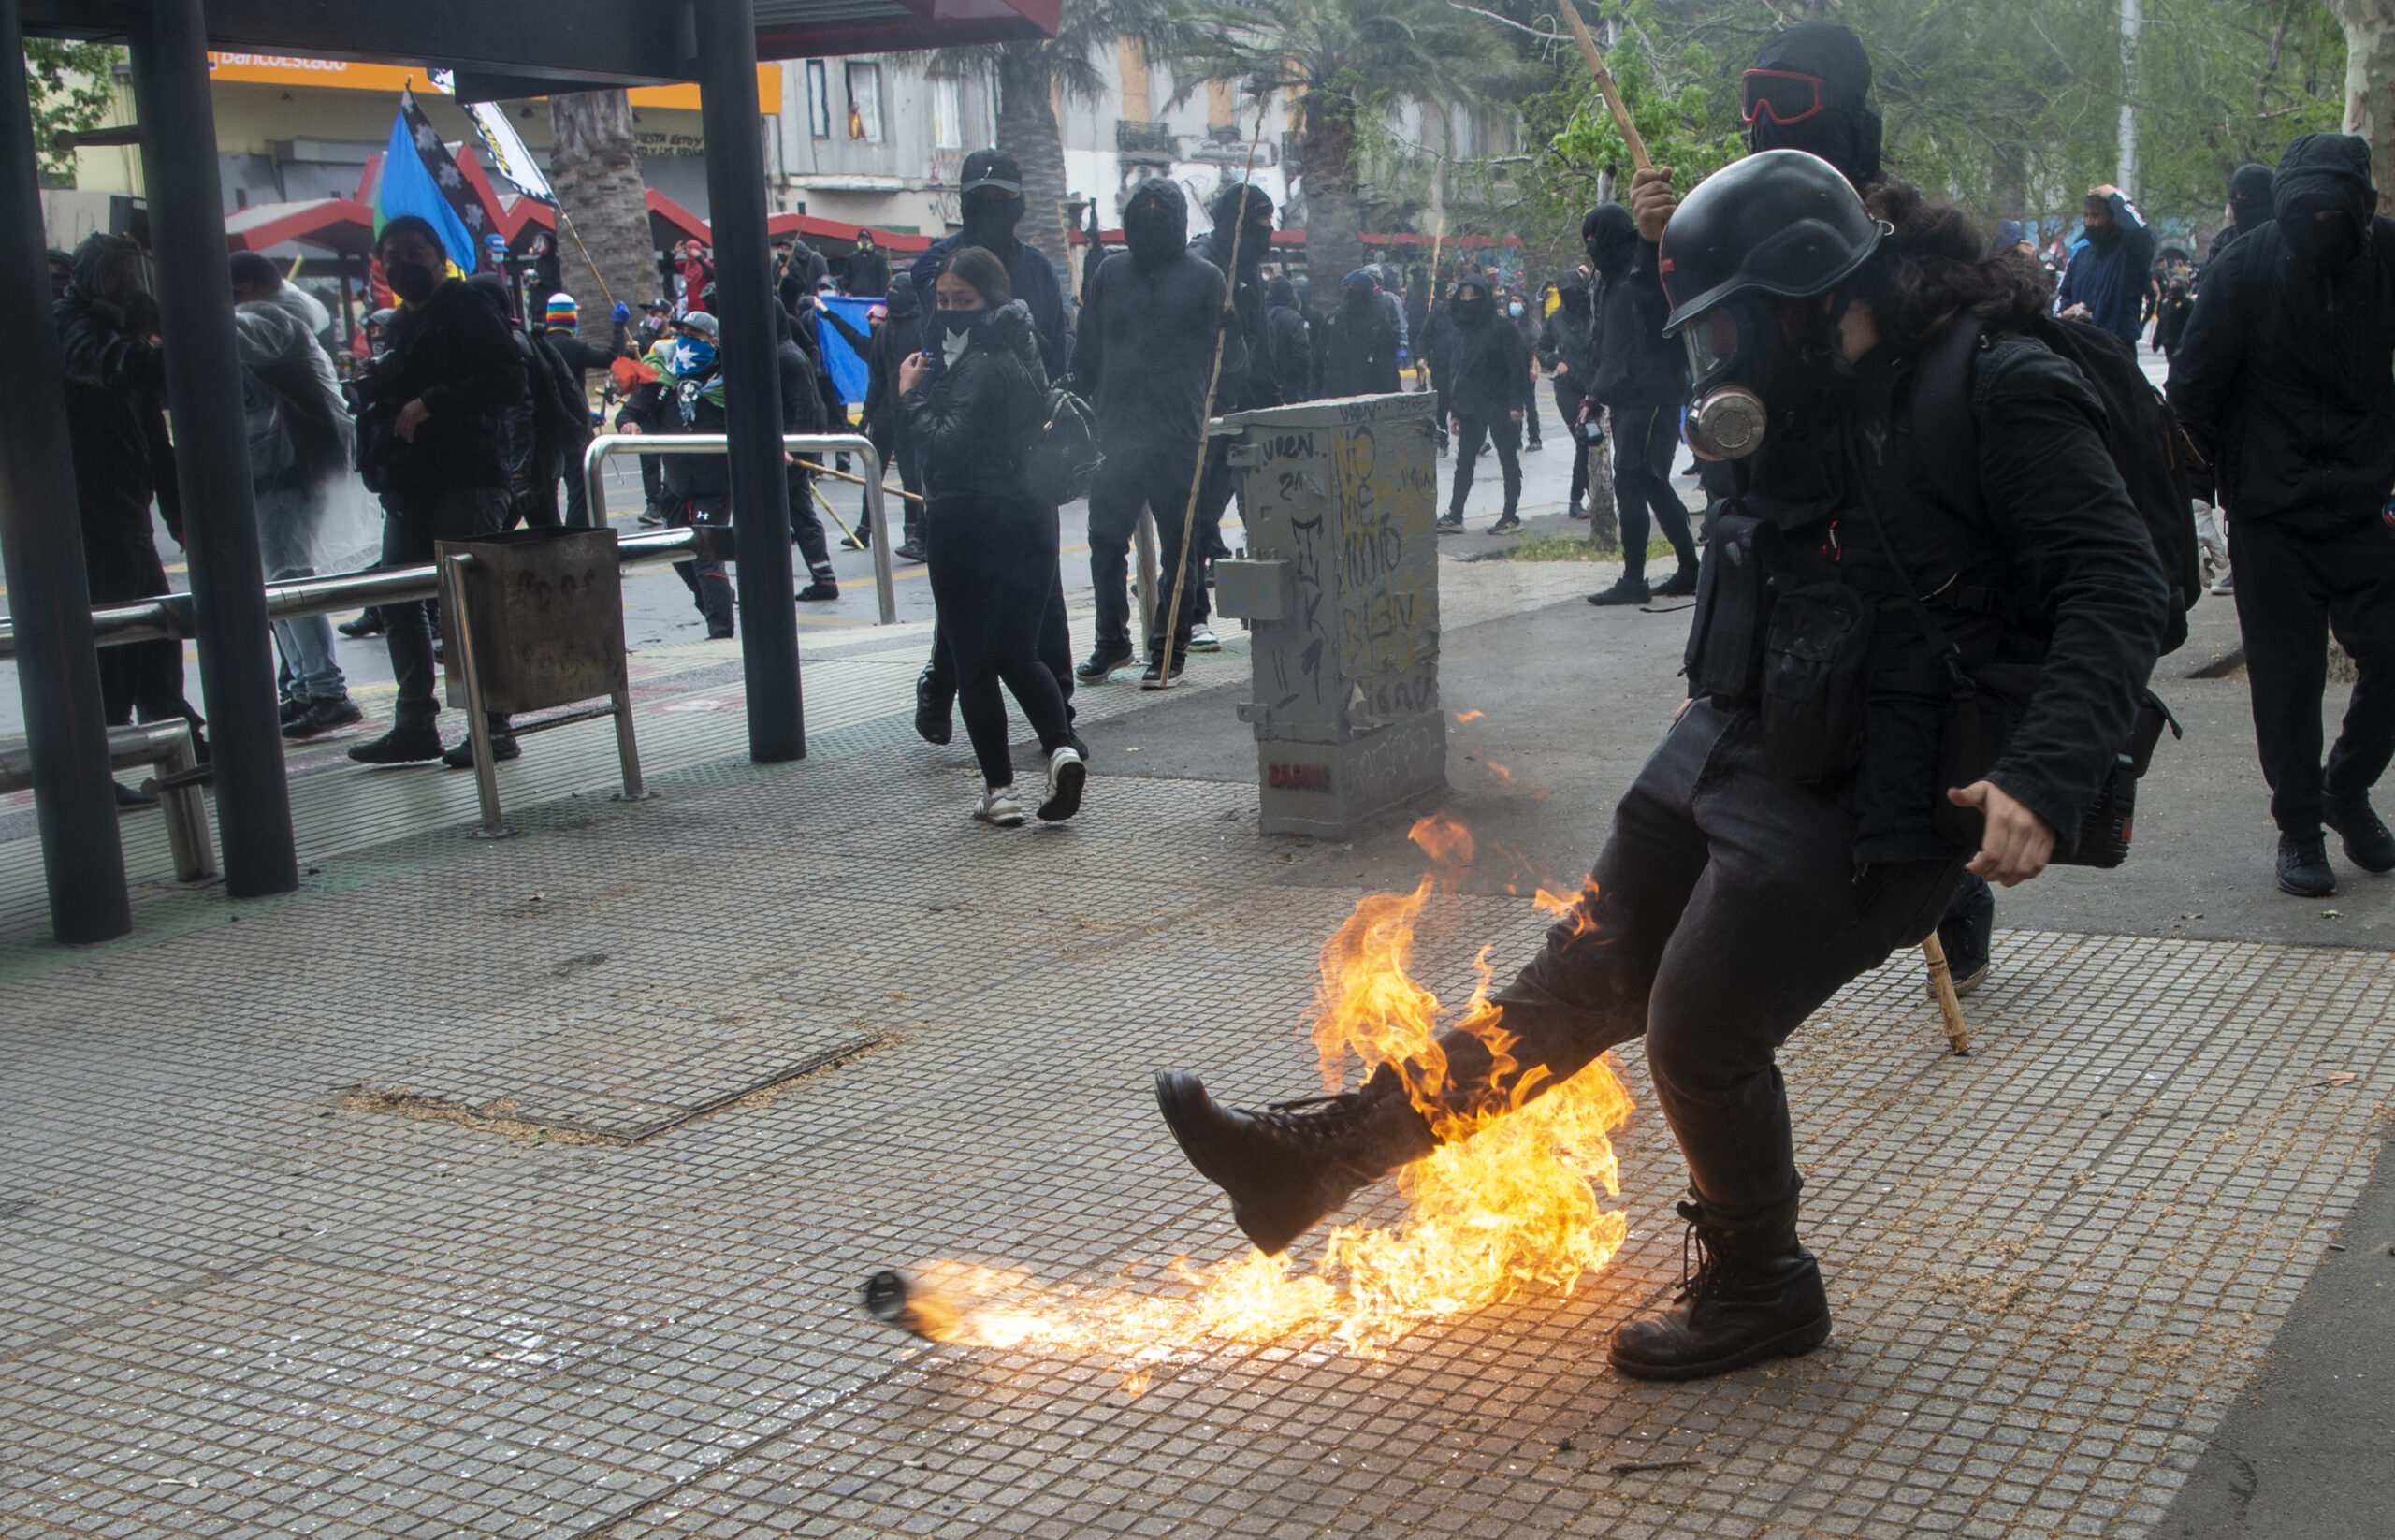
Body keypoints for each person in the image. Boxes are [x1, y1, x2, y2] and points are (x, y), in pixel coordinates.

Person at [1156, 154, 2168, 1383]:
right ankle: (1309, 1163)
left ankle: (1765, 1288)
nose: (1717, 356)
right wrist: (1651, 264)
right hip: (1747, 729)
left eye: (1732, 323)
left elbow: (2121, 583)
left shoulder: (1993, 383)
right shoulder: (1799, 379)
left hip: (1889, 795)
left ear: (1805, 295)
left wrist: (2045, 774)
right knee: (1570, 981)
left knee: (1700, 1022)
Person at [2167, 134, 2395, 898]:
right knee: (2287, 684)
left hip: (2367, 506)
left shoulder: (2389, 259)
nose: (2325, 222)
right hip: (2270, 512)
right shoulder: (2244, 268)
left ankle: (2345, 787)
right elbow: (2192, 397)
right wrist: (2190, 504)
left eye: (2341, 211)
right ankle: (2299, 828)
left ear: (2365, 206)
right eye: (2311, 211)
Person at [899, 246, 1087, 828]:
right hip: (1029, 518)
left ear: (992, 299)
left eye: (964, 300)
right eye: (943, 300)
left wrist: (909, 395)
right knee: (1020, 651)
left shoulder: (981, 360)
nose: (951, 310)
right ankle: (1059, 750)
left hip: (970, 522)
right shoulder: (1025, 347)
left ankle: (999, 790)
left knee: (974, 659)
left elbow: (945, 440)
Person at [347, 215, 529, 767]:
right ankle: (413, 723)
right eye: (393, 254)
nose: (405, 264)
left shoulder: (467, 305)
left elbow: (509, 378)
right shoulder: (400, 321)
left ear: (439, 254)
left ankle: (493, 727)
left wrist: (433, 402)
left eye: (416, 252)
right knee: (396, 597)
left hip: (468, 476)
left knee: (466, 604)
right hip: (410, 481)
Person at [1068, 178, 1241, 687]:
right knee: (1104, 539)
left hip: (1178, 431)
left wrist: (1228, 333)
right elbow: (1088, 349)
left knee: (1180, 546)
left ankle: (1169, 649)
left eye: (1160, 207)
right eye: (1141, 207)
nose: (1150, 215)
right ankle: (1111, 641)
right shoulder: (1109, 272)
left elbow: (1231, 361)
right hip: (1116, 430)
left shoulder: (1206, 278)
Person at [56, 233, 207, 792]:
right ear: (92, 280)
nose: (132, 290)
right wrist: (176, 346)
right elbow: (118, 367)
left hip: (124, 504)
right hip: (91, 509)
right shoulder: (73, 328)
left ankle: (178, 733)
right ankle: (108, 752)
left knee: (154, 629)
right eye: (122, 278)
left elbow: (152, 434)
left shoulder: (118, 332)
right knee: (119, 634)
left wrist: (177, 511)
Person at [228, 251, 362, 738]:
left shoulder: (272, 320)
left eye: (232, 295)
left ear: (252, 290)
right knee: (278, 583)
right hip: (281, 468)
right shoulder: (281, 316)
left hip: (289, 471)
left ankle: (326, 691)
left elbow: (218, 336)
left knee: (289, 581)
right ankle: (306, 687)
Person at [1580, 203, 1698, 602]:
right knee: (1649, 480)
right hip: (1637, 393)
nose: (1592, 248)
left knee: (1635, 480)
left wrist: (1600, 390)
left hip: (1647, 393)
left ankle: (1636, 579)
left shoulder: (1635, 274)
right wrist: (1596, 391)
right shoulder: (1615, 277)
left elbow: (1630, 346)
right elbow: (1608, 343)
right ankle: (1689, 568)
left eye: (1596, 238)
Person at [615, 310, 738, 638]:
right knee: (678, 554)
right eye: (681, 334)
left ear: (713, 341)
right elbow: (631, 409)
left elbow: (757, 417)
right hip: (676, 487)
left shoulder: (729, 378)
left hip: (715, 486)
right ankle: (717, 601)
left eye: (695, 337)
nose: (686, 343)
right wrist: (629, 423)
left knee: (705, 555)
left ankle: (720, 632)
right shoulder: (663, 379)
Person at [1432, 275, 1531, 534]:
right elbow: (1458, 370)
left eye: (1473, 295)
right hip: (1470, 405)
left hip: (1500, 402)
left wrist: (1515, 404)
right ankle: (1455, 514)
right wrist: (1455, 410)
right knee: (1464, 459)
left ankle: (1510, 515)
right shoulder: (1462, 331)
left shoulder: (1503, 328)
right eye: (1462, 295)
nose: (1467, 301)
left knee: (1508, 458)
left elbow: (1516, 367)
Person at [534, 292, 623, 529]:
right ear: (571, 318)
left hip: (547, 428)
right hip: (573, 427)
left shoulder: (538, 344)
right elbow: (610, 357)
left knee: (551, 488)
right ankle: (575, 535)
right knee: (580, 488)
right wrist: (618, 325)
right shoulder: (572, 346)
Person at [774, 302, 840, 602]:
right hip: (791, 444)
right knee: (797, 512)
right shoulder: (782, 353)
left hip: (792, 448)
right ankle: (822, 577)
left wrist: (794, 446)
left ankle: (822, 577)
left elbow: (807, 406)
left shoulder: (787, 356)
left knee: (797, 513)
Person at [2054, 184, 2156, 345]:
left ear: (2114, 218)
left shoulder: (2130, 252)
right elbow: (2063, 292)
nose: (2090, 222)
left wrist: (2115, 198)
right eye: (2087, 216)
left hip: (2118, 345)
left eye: (2096, 215)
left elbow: (2141, 230)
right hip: (2082, 342)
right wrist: (2065, 312)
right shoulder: (2081, 253)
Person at [1538, 269, 1601, 521]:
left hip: (1593, 386)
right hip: (1567, 388)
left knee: (1596, 442)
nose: (1573, 297)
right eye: (1568, 293)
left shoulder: (1594, 317)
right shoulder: (1555, 320)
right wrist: (1555, 362)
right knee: (1583, 439)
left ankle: (1597, 492)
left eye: (1577, 291)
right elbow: (1541, 348)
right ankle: (1577, 498)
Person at [1319, 268, 1401, 397]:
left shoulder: (1333, 320)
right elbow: (1389, 369)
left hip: (1338, 398)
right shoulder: (1378, 322)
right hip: (1369, 400)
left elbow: (1318, 362)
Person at [2207, 164, 2275, 263]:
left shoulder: (2283, 243)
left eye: (2246, 196)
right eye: (2236, 196)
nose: (2238, 201)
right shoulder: (2222, 243)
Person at [1263, 275, 1314, 405]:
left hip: (1264, 384)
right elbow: (1303, 355)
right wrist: (1305, 385)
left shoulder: (1261, 314)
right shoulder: (1293, 318)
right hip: (1290, 387)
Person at [1509, 286, 1544, 451]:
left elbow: (1536, 349)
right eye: (1512, 302)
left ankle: (1535, 438)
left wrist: (1533, 368)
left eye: (1517, 302)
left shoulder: (1531, 325)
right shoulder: (1506, 323)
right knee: (1513, 405)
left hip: (1525, 367)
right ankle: (1515, 439)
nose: (1514, 305)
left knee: (1529, 404)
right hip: (1509, 370)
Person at [844, 227, 890, 298]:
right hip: (855, 297)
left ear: (871, 241)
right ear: (858, 241)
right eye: (862, 239)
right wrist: (845, 291)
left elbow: (883, 279)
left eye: (866, 239)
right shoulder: (852, 258)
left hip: (873, 297)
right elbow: (846, 277)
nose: (864, 242)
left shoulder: (879, 258)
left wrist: (881, 296)